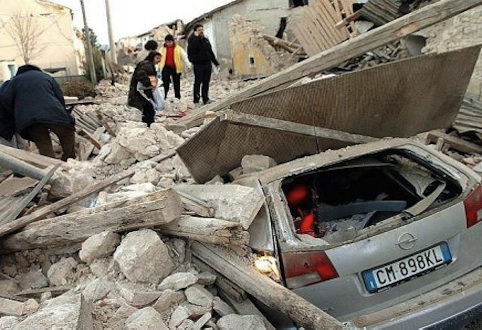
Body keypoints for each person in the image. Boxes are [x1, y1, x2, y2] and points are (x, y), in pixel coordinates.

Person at [1, 65, 76, 161]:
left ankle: (50, 164)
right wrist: (63, 113)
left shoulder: (14, 82)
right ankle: (69, 160)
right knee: (67, 132)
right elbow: (59, 97)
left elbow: (5, 99)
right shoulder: (46, 77)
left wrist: (16, 112)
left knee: (42, 141)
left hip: (29, 119)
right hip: (52, 112)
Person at [187, 24, 220, 105]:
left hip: (207, 63)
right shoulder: (192, 40)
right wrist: (196, 37)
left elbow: (210, 52)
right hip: (198, 65)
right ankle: (196, 101)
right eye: (199, 30)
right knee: (198, 82)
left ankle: (205, 99)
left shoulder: (205, 39)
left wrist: (216, 63)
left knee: (206, 82)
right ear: (195, 31)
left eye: (202, 29)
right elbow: (192, 48)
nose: (201, 31)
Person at [128, 51, 162, 127]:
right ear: (152, 57)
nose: (158, 60)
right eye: (157, 58)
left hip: (144, 90)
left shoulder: (148, 64)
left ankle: (147, 124)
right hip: (140, 91)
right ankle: (149, 125)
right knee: (149, 107)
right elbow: (140, 75)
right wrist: (148, 83)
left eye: (160, 59)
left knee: (148, 107)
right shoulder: (146, 65)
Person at [159, 34, 191, 101]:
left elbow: (184, 56)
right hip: (166, 67)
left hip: (176, 67)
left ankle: (177, 97)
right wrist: (157, 67)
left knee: (176, 82)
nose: (169, 43)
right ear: (165, 42)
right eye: (167, 42)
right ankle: (164, 97)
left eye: (170, 41)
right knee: (165, 82)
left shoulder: (178, 48)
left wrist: (188, 64)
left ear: (173, 41)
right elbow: (158, 58)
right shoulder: (162, 49)